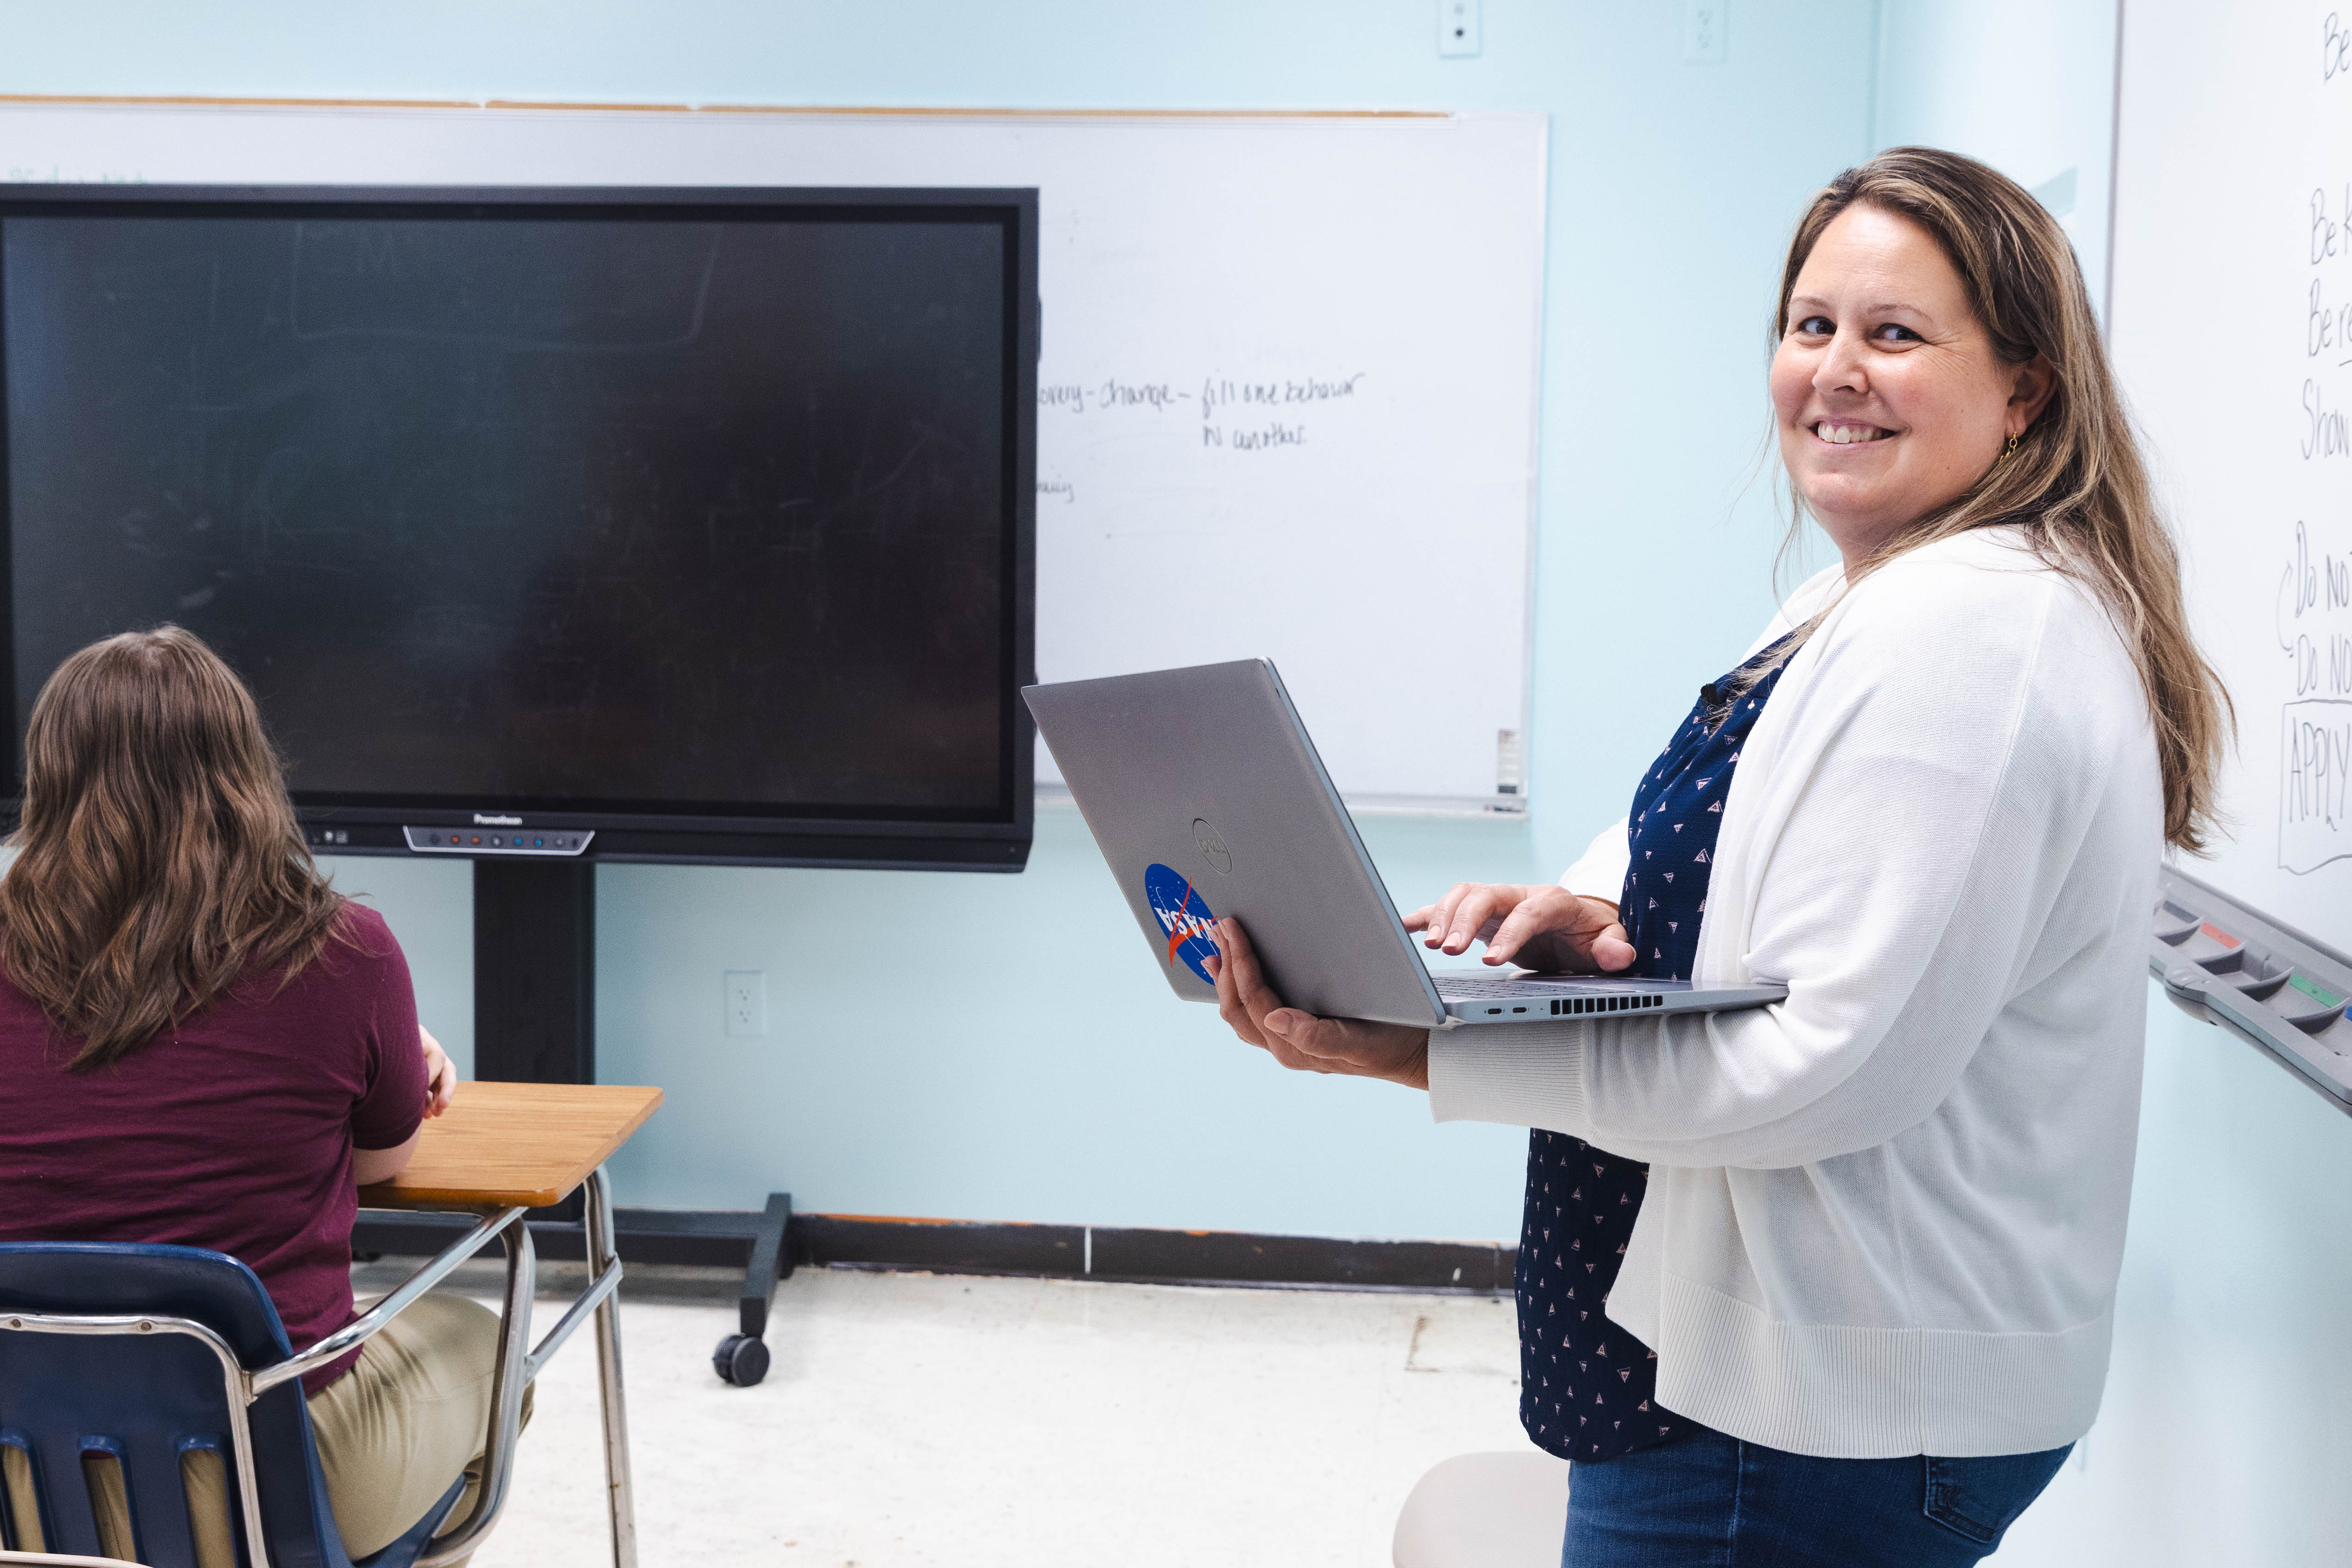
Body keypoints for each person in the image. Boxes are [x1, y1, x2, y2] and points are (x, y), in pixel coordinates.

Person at [1204, 147, 2230, 1564]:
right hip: (1772, 1389)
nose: (1837, 369)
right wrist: (1582, 910)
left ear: (2024, 392)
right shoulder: (1856, 599)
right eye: (1812, 326)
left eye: (1895, 334)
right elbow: (1715, 847)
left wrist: (1422, 1052)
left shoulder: (1971, 637)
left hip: (1809, 1424)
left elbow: (1823, 1068)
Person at [0, 626, 513, 1567]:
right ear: (244, 772)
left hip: (19, 1476)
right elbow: (384, 1160)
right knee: (491, 1339)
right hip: (261, 1475)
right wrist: (390, 1051)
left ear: (53, 779)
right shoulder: (346, 951)